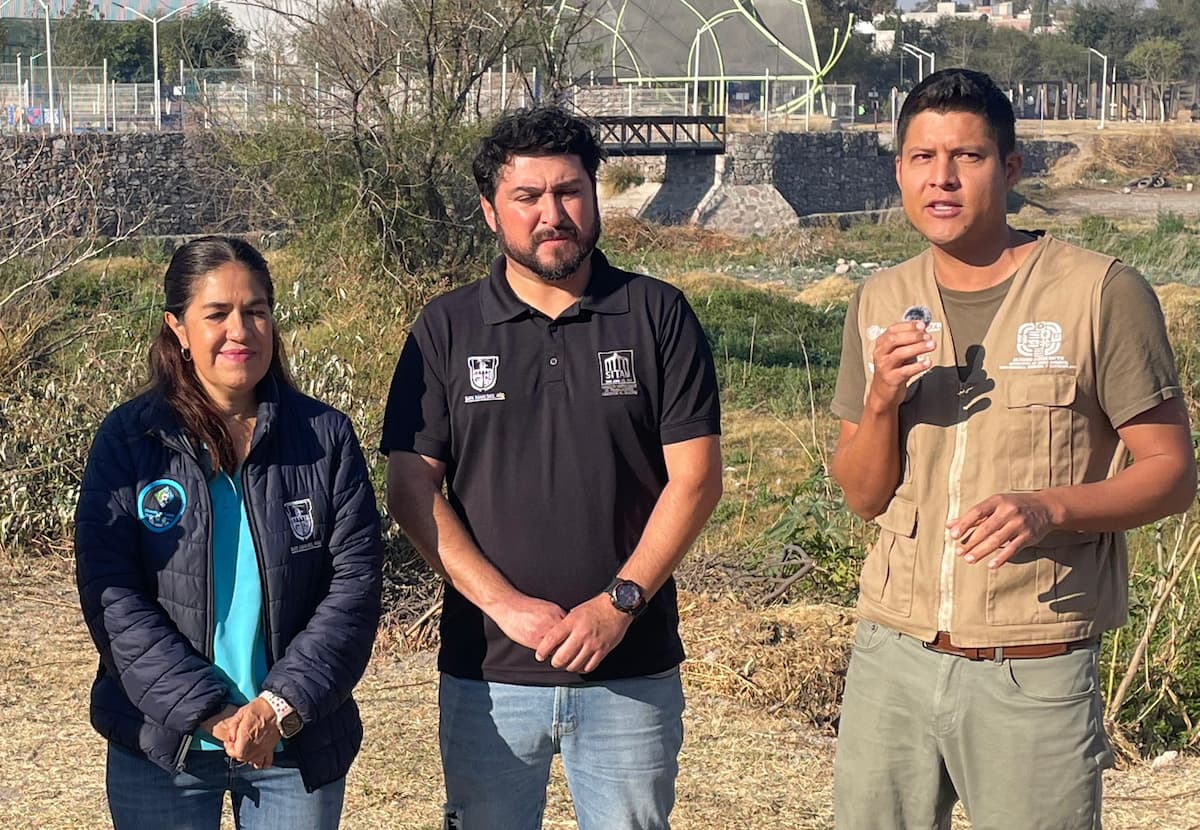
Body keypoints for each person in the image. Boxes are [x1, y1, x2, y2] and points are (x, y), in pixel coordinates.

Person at [829, 68, 1196, 830]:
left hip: (1032, 668)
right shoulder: (879, 299)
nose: (942, 178)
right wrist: (880, 402)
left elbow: (1170, 475)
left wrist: (1050, 506)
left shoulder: (1100, 292)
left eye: (967, 156)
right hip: (891, 656)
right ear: (898, 169)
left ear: (1012, 167)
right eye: (922, 158)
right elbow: (864, 496)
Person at [381, 106, 724, 830]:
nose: (552, 214)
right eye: (527, 197)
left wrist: (618, 604)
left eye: (569, 192)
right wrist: (504, 605)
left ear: (595, 195)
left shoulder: (657, 315)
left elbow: (696, 480)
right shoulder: (445, 328)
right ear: (490, 211)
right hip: (490, 675)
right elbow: (412, 488)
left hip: (632, 669)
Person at [75, 236, 384, 829]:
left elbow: (352, 592)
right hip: (164, 745)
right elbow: (112, 597)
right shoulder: (131, 441)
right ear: (179, 328)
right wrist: (212, 714)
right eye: (216, 314)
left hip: (295, 741)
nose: (239, 330)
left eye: (256, 310)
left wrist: (277, 709)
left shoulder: (325, 439)